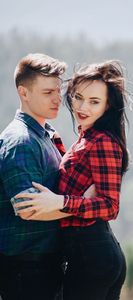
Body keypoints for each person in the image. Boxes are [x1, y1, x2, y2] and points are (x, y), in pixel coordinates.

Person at [15, 60, 133, 300]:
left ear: (108, 105)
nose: (82, 107)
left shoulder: (103, 141)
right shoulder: (85, 138)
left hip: (92, 255)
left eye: (94, 102)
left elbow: (110, 206)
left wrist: (61, 202)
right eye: (78, 97)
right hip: (90, 255)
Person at [0, 53, 67, 300]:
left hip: (44, 267)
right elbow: (28, 209)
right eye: (48, 92)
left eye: (58, 91)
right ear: (23, 93)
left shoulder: (45, 133)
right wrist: (81, 205)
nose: (57, 99)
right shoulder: (21, 141)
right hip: (26, 271)